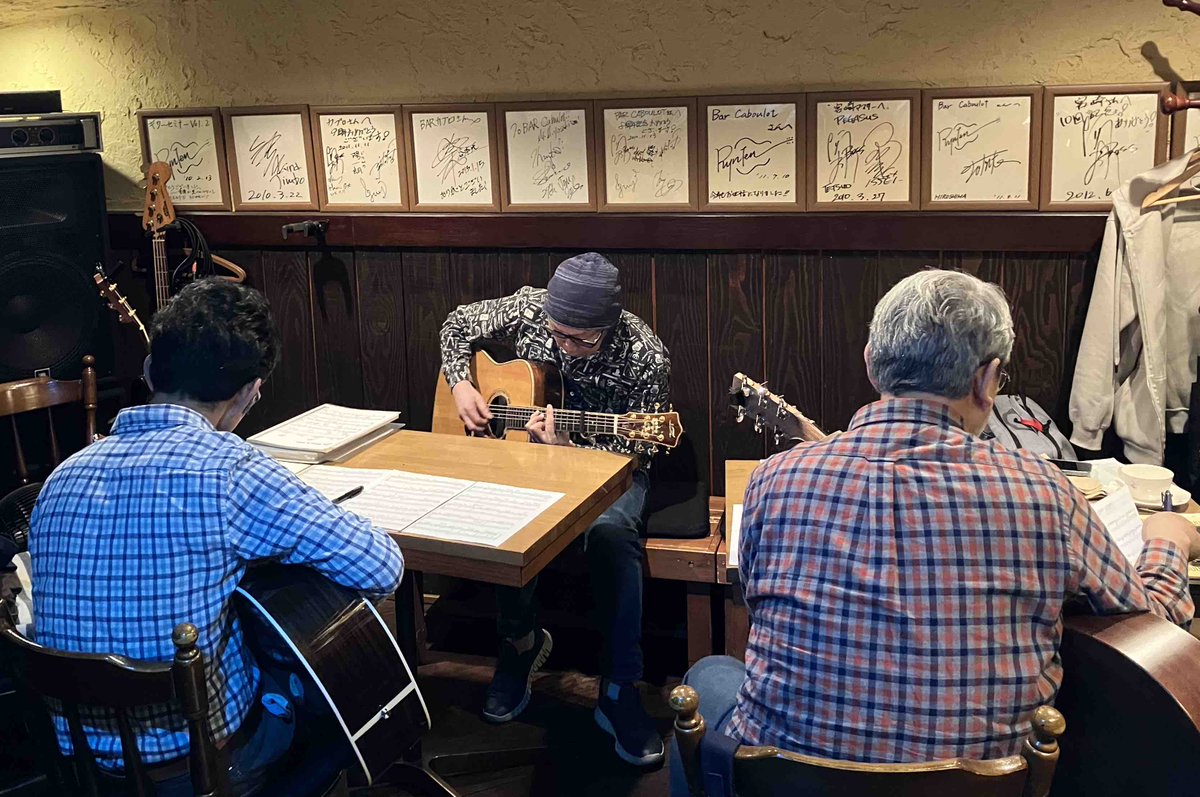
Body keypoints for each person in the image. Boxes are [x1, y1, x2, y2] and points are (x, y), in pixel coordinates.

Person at [670, 269, 1198, 793]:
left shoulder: (773, 479)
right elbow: (1153, 622)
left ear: (872, 364)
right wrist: (1170, 540)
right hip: (979, 785)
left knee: (710, 674)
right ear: (987, 378)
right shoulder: (1045, 491)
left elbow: (753, 596)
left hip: (786, 782)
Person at [28, 279, 404, 796]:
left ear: (149, 371)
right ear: (251, 392)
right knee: (335, 698)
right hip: (196, 769)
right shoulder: (231, 473)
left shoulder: (61, 477)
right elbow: (382, 566)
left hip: (79, 768)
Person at [440, 252, 671, 765]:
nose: (566, 346)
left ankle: (619, 688)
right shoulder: (528, 308)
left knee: (611, 532)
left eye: (581, 340)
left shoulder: (646, 355)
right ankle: (519, 644)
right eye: (557, 333)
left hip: (610, 464)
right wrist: (461, 384)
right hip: (523, 452)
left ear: (609, 326)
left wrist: (568, 454)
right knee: (500, 511)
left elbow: (646, 448)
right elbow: (455, 325)